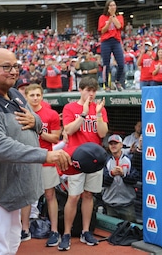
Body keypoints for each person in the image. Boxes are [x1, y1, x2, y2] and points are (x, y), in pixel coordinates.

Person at [0, 48, 71, 255]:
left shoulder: (14, 94)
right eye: (6, 67)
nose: (13, 71)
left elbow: (37, 122)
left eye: (15, 66)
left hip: (13, 192)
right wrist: (46, 155)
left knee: (11, 247)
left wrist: (36, 122)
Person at [60, 77, 108, 251]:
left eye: (94, 90)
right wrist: (83, 113)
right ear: (80, 90)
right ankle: (66, 233)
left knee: (89, 195)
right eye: (88, 90)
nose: (91, 94)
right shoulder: (70, 107)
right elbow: (68, 130)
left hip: (94, 159)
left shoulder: (99, 109)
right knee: (73, 196)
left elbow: (102, 133)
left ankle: (86, 231)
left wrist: (98, 115)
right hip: (76, 158)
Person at [24, 84, 63, 247]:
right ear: (26, 96)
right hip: (27, 160)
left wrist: (39, 130)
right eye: (31, 95)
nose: (34, 98)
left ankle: (54, 230)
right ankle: (24, 230)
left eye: (37, 95)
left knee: (50, 195)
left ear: (42, 96)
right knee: (25, 196)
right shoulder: (20, 114)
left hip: (46, 160)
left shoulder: (51, 114)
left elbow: (55, 139)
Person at [102, 134, 140, 223]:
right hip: (110, 204)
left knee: (131, 231)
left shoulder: (130, 159)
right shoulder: (105, 160)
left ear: (121, 145)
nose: (113, 146)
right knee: (111, 232)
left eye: (116, 143)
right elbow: (103, 182)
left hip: (127, 205)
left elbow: (135, 179)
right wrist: (111, 174)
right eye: (111, 144)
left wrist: (124, 175)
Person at [98, 0, 125, 92]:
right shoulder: (102, 17)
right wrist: (109, 22)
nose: (113, 7)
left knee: (121, 64)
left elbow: (119, 26)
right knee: (106, 65)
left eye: (114, 5)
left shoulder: (119, 16)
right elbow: (102, 31)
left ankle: (117, 80)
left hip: (116, 41)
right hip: (106, 42)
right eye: (111, 5)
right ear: (108, 7)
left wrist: (113, 17)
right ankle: (106, 85)